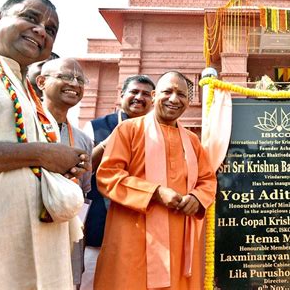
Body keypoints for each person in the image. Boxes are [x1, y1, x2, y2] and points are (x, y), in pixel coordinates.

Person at [0, 0, 89, 289]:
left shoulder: (24, 89)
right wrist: (41, 154)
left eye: (50, 29)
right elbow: (35, 154)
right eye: (31, 18)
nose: (40, 31)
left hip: (39, 246)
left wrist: (62, 164)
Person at [93, 71, 217, 289]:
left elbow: (208, 180)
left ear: (188, 102)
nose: (174, 99)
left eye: (181, 94)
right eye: (167, 91)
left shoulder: (193, 141)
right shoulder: (128, 130)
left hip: (179, 239)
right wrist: (155, 192)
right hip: (134, 235)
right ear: (154, 95)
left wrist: (197, 198)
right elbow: (108, 175)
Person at [81, 74, 155, 289]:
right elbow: (83, 172)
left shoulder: (156, 131)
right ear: (121, 95)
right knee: (92, 282)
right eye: (134, 92)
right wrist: (106, 144)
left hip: (142, 224)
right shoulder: (97, 127)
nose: (139, 97)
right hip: (100, 224)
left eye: (146, 94)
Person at [37, 58, 94, 289]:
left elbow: (84, 192)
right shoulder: (21, 121)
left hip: (64, 229)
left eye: (80, 79)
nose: (74, 83)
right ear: (41, 81)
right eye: (65, 76)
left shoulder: (83, 140)